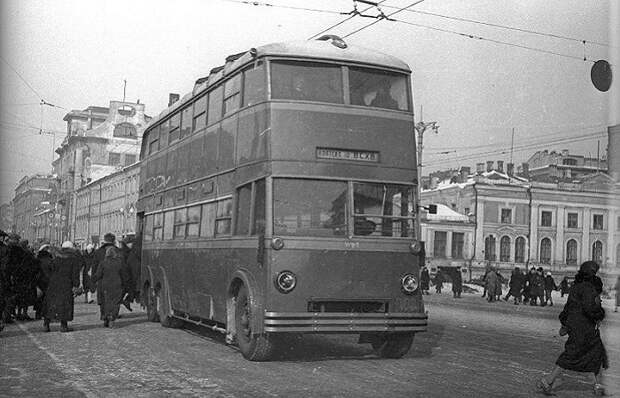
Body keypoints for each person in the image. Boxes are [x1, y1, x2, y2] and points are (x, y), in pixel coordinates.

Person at [537, 261, 608, 396]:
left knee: (589, 354)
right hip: (584, 327)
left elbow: (568, 306)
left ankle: (596, 384)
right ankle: (548, 380)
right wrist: (599, 314)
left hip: (576, 325)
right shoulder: (588, 288)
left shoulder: (577, 286)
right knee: (580, 354)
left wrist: (565, 322)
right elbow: (589, 308)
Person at [41, 241, 82, 332]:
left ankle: (46, 324)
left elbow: (50, 269)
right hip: (66, 284)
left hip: (53, 283)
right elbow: (75, 274)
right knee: (65, 304)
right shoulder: (73, 259)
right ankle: (63, 325)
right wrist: (76, 285)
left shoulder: (56, 258)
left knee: (50, 303)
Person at [93, 246, 131, 328]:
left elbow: (98, 275)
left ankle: (105, 318)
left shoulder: (103, 263)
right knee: (115, 303)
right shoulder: (119, 263)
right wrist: (126, 285)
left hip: (105, 285)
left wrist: (92, 279)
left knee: (106, 302)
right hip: (117, 285)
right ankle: (112, 318)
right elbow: (124, 275)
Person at [126, 236, 142, 303]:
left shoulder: (134, 250)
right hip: (134, 270)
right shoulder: (135, 249)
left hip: (134, 271)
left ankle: (130, 298)